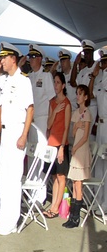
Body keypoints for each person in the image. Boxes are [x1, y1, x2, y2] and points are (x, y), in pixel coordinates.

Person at [0, 43, 34, 235]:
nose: (2, 61)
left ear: (13, 59)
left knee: (14, 178)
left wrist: (24, 135)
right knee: (5, 177)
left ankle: (12, 221)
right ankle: (4, 218)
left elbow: (30, 109)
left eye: (4, 58)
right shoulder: (6, 80)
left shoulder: (24, 81)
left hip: (17, 132)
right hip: (6, 133)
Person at [43, 72, 71, 219]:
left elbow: (66, 128)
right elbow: (48, 124)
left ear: (63, 85)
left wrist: (62, 148)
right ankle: (54, 204)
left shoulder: (67, 103)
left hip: (60, 144)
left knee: (61, 176)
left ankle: (55, 207)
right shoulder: (52, 102)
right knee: (54, 176)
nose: (55, 85)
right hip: (51, 143)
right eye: (54, 82)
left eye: (58, 83)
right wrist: (54, 112)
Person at [63, 84, 93, 229]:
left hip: (81, 150)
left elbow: (85, 136)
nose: (78, 96)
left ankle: (76, 217)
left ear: (85, 97)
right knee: (75, 182)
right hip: (76, 148)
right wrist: (76, 125)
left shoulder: (87, 113)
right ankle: (72, 215)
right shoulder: (77, 113)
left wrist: (75, 147)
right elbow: (73, 132)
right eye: (77, 93)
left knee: (78, 184)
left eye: (80, 94)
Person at [27, 45, 53, 145]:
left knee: (41, 149)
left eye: (33, 57)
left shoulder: (46, 75)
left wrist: (50, 123)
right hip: (31, 118)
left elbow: (52, 100)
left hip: (42, 119)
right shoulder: (29, 75)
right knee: (31, 150)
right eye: (30, 57)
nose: (30, 60)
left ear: (39, 58)